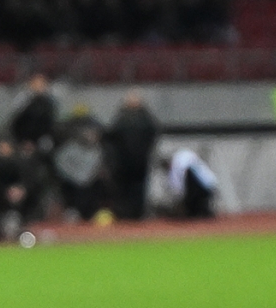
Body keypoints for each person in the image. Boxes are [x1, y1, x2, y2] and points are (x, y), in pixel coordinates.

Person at [107, 92, 158, 221]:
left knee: (135, 189)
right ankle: (127, 213)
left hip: (135, 161)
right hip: (128, 162)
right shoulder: (142, 119)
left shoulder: (125, 118)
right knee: (127, 188)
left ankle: (134, 213)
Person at [51, 107, 110, 220]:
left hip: (90, 183)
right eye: (89, 133)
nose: (92, 136)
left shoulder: (98, 150)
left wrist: (93, 176)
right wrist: (76, 177)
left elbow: (98, 166)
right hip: (71, 182)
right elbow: (61, 164)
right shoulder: (70, 148)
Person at [9, 74, 58, 155]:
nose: (39, 87)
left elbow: (49, 123)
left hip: (41, 137)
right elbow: (15, 120)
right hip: (19, 136)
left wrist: (36, 140)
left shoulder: (49, 102)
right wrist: (24, 140)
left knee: (47, 145)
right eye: (37, 84)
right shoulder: (22, 99)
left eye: (42, 84)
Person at [166, 146, 219, 218]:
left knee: (196, 203)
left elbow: (179, 182)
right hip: (206, 186)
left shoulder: (179, 164)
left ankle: (200, 212)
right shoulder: (190, 162)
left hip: (201, 188)